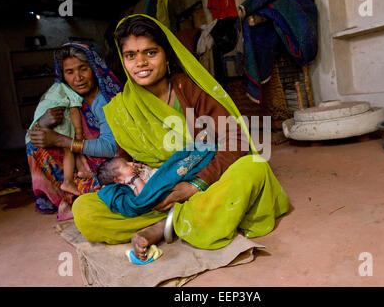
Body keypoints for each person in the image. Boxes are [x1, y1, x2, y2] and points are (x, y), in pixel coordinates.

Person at [72, 15, 290, 261]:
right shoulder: (123, 107)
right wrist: (134, 185)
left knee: (252, 168)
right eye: (131, 55)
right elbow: (125, 159)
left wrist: (193, 185)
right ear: (123, 61)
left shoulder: (190, 89)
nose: (141, 62)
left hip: (204, 185)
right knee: (84, 210)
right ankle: (180, 219)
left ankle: (169, 224)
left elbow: (235, 140)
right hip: (156, 196)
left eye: (150, 52)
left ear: (166, 56)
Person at [26, 42, 123, 220]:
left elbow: (112, 148)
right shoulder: (71, 100)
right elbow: (35, 135)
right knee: (35, 145)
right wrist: (44, 122)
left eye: (83, 69)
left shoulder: (106, 100)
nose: (78, 78)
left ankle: (79, 194)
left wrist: (63, 141)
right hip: (84, 165)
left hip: (113, 163)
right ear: (63, 75)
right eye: (69, 72)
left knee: (116, 188)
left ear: (94, 68)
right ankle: (69, 193)